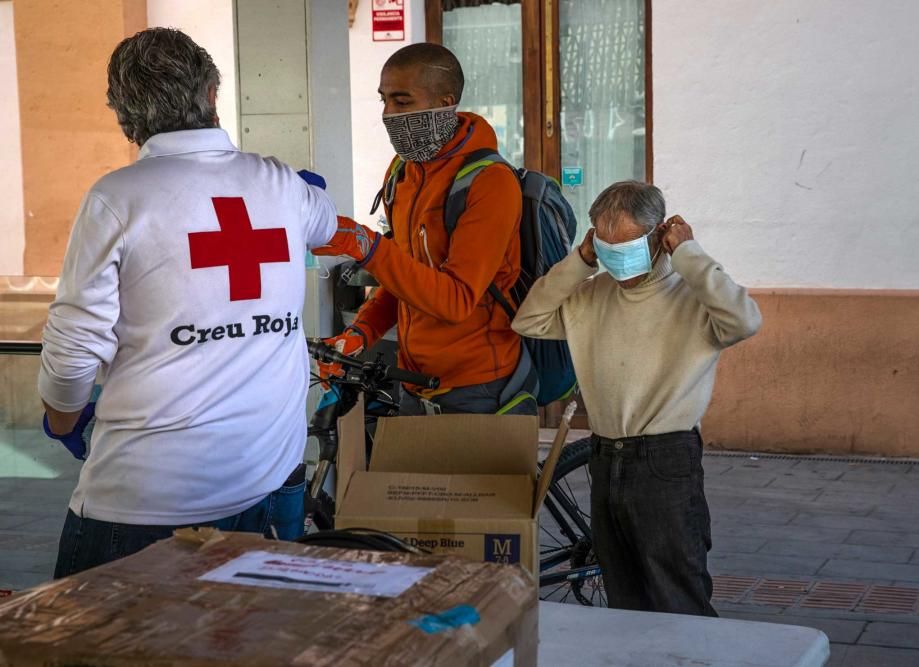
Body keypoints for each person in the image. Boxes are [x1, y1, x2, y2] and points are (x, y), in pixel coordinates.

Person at [39, 28, 340, 577]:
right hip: (268, 484)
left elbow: (74, 348)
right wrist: (299, 191)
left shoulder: (117, 198)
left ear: (124, 113)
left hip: (145, 503)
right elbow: (326, 221)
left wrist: (62, 418)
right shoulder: (278, 183)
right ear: (211, 94)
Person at [511, 181, 762, 615]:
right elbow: (529, 320)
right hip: (604, 456)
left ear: (660, 235)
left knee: (677, 595)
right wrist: (581, 262)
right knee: (622, 596)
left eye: (627, 245)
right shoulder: (591, 296)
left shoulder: (692, 297)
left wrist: (689, 254)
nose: (618, 259)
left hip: (665, 460)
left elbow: (745, 320)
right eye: (606, 247)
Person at [311, 43, 533, 416]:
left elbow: (455, 301)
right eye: (384, 101)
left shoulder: (490, 183)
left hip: (478, 388)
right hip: (412, 380)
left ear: (445, 103)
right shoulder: (403, 173)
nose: (388, 114)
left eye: (402, 102)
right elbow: (404, 280)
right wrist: (360, 334)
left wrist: (367, 246)